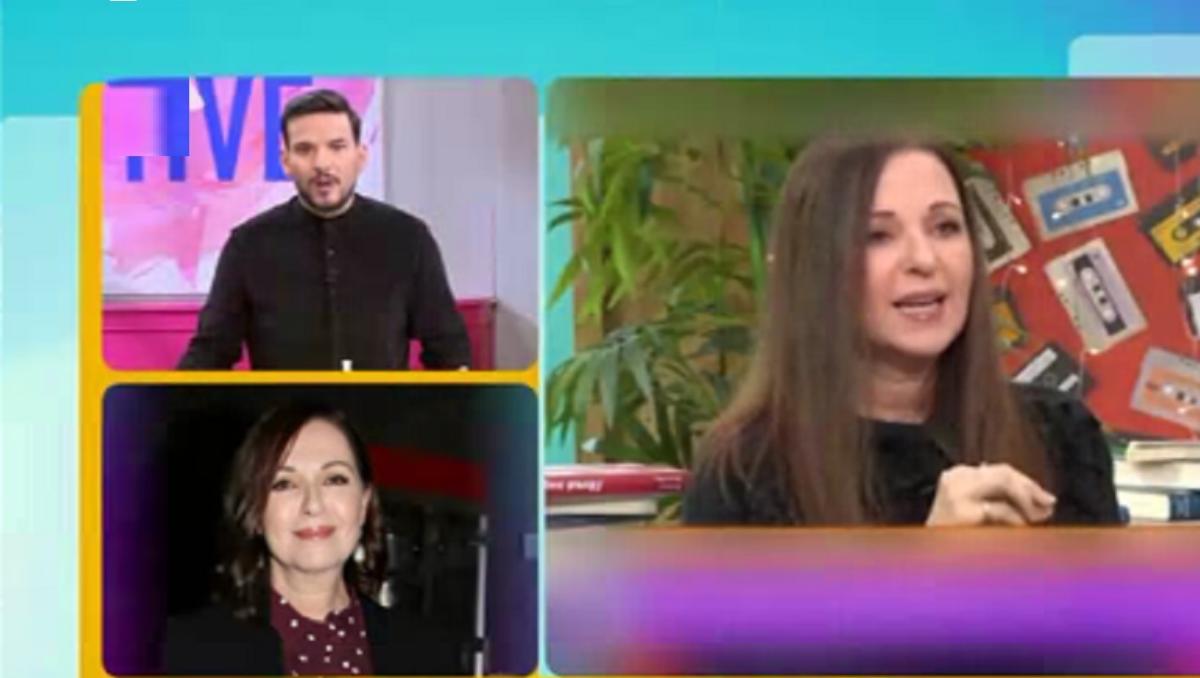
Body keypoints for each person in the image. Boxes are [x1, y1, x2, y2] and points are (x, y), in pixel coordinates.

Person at [683, 137, 1121, 526]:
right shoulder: (742, 473)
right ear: (815, 268)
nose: (925, 260)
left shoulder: (1060, 435)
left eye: (945, 227)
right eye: (878, 235)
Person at [177, 89, 472, 370]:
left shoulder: (408, 238)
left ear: (360, 156)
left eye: (337, 147)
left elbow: (448, 352)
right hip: (284, 408)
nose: (321, 163)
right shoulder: (248, 245)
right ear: (286, 161)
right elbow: (210, 353)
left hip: (380, 408)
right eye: (305, 149)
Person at [163, 402, 464, 674]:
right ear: (255, 511)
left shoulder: (430, 653)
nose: (313, 504)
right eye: (284, 484)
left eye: (334, 479)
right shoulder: (189, 652)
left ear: (363, 504)